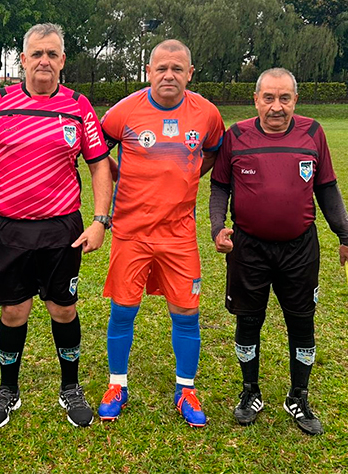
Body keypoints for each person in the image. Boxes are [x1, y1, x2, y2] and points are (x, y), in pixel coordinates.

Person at [0, 23, 112, 428]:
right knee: (14, 311)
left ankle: (70, 387)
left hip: (62, 228)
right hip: (8, 228)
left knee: (64, 308)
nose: (44, 60)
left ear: (62, 61)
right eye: (37, 53)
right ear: (23, 59)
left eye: (52, 54)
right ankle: (8, 389)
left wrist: (100, 220)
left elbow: (99, 165)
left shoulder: (78, 105)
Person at [209, 67, 348, 436]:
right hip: (248, 248)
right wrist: (217, 228)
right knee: (248, 321)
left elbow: (327, 188)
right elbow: (219, 186)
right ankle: (250, 391)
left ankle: (298, 396)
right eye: (268, 98)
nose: (276, 107)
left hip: (300, 248)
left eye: (284, 98)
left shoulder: (313, 132)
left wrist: (347, 236)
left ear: (295, 100)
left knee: (301, 322)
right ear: (256, 100)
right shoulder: (236, 135)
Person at [96, 40, 224, 427]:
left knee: (186, 312)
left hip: (179, 234)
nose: (169, 75)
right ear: (149, 72)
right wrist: (118, 173)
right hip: (130, 232)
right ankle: (117, 386)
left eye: (177, 68)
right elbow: (97, 152)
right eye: (161, 68)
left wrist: (189, 173)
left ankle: (186, 390)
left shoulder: (207, 114)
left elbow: (213, 152)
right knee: (123, 310)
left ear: (190, 74)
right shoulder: (124, 111)